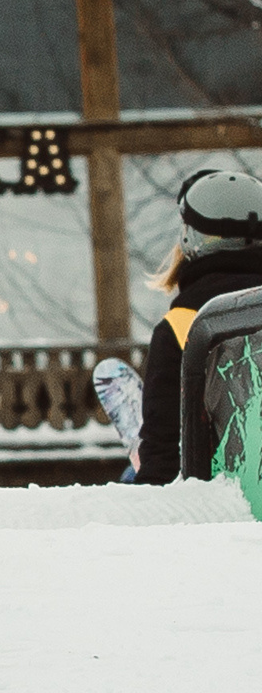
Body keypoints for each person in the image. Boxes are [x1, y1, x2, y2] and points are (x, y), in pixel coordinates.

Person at [126, 169, 262, 484]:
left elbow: (165, 451)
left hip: (216, 500)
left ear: (190, 240)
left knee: (129, 476)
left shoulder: (180, 326)